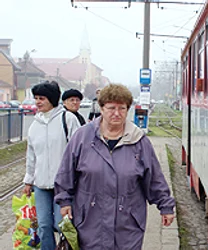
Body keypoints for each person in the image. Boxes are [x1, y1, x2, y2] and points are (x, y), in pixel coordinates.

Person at [54, 84, 176, 249]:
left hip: (127, 222)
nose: (117, 113)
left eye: (122, 108)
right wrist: (64, 201)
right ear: (101, 108)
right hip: (90, 219)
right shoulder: (82, 138)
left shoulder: (139, 141)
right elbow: (66, 172)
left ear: (128, 110)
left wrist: (165, 206)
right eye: (111, 108)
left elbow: (154, 177)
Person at [22, 81, 81, 250]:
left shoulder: (68, 119)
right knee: (44, 225)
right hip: (41, 185)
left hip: (63, 184)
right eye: (36, 98)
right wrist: (28, 181)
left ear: (53, 99)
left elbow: (78, 150)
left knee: (61, 224)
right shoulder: (34, 126)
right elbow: (31, 156)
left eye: (42, 98)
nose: (38, 102)